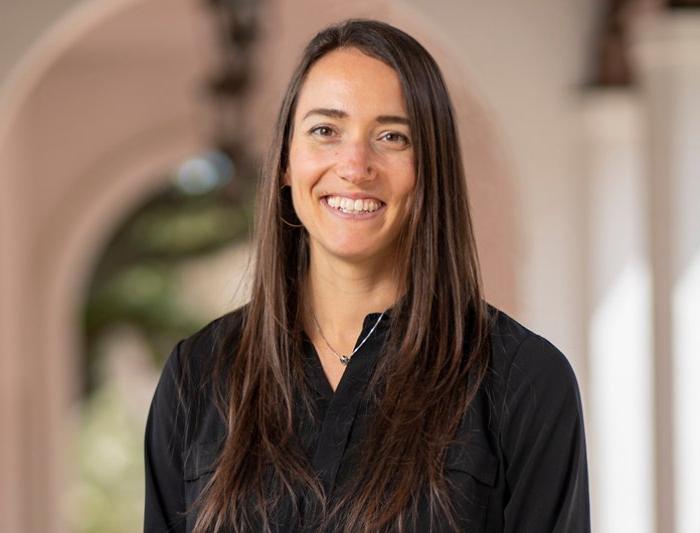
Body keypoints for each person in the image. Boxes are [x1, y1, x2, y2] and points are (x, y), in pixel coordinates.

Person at [144, 18, 590, 533]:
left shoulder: (523, 381)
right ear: (286, 162)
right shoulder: (198, 375)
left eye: (392, 136)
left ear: (429, 170)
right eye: (325, 131)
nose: (356, 165)